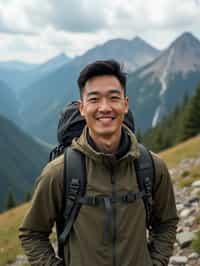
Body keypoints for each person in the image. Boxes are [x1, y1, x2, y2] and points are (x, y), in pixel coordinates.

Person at [19, 60, 178, 266]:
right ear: (82, 108)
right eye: (94, 99)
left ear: (125, 104)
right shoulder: (60, 172)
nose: (105, 107)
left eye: (113, 98)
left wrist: (156, 262)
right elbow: (32, 233)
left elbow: (166, 222)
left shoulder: (152, 167)